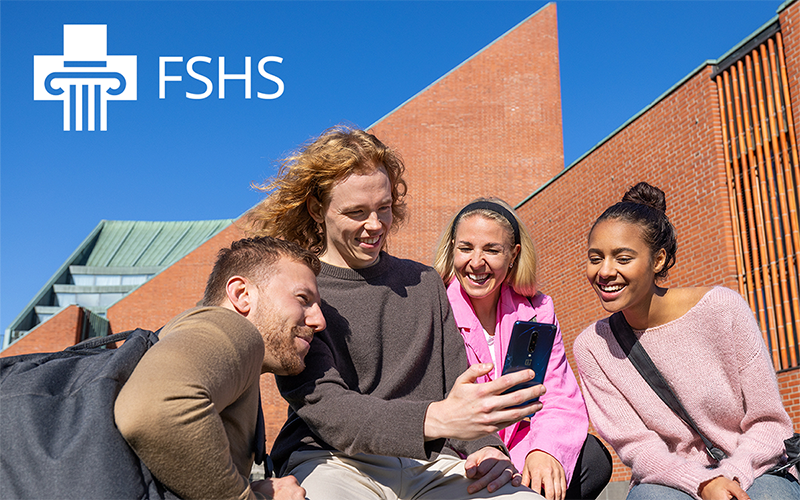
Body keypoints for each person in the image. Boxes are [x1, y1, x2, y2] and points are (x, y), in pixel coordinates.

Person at [245, 125, 547, 499]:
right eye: (356, 212)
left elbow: (457, 382)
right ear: (316, 209)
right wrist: (433, 419)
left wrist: (485, 445)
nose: (375, 226)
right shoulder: (301, 291)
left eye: (383, 208)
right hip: (333, 460)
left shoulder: (424, 281)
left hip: (432, 463)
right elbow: (330, 409)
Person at [573, 182, 800, 500]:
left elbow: (770, 423)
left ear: (659, 260)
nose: (605, 271)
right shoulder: (593, 347)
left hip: (757, 468)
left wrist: (730, 475)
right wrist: (701, 483)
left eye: (622, 258)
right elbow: (638, 447)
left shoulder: (721, 308)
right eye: (595, 258)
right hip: (670, 482)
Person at [114, 236, 327, 500]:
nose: (319, 321)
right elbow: (153, 409)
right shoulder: (231, 328)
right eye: (303, 298)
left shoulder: (199, 341)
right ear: (242, 295)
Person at [433, 198, 612, 500]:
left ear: (514, 255)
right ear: (452, 250)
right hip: (460, 452)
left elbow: (557, 394)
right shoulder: (434, 309)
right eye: (466, 248)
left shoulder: (537, 310)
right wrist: (486, 448)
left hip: (518, 451)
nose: (476, 262)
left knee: (593, 457)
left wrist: (546, 451)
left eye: (491, 250)